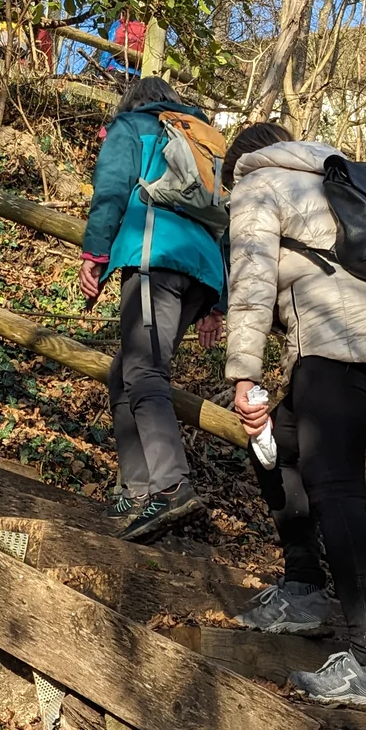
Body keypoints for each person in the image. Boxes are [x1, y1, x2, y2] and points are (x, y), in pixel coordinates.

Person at [223, 124, 366, 712]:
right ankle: (304, 586)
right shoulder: (340, 179)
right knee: (278, 441)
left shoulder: (259, 184)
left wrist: (244, 374)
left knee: (334, 485)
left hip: (334, 339)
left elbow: (252, 281)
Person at [80, 76, 225, 541]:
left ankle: (170, 485)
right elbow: (224, 217)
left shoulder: (134, 127)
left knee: (143, 372)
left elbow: (110, 191)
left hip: (153, 258)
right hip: (200, 271)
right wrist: (216, 302)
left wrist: (94, 254)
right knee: (124, 372)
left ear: (132, 102)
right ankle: (138, 492)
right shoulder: (205, 140)